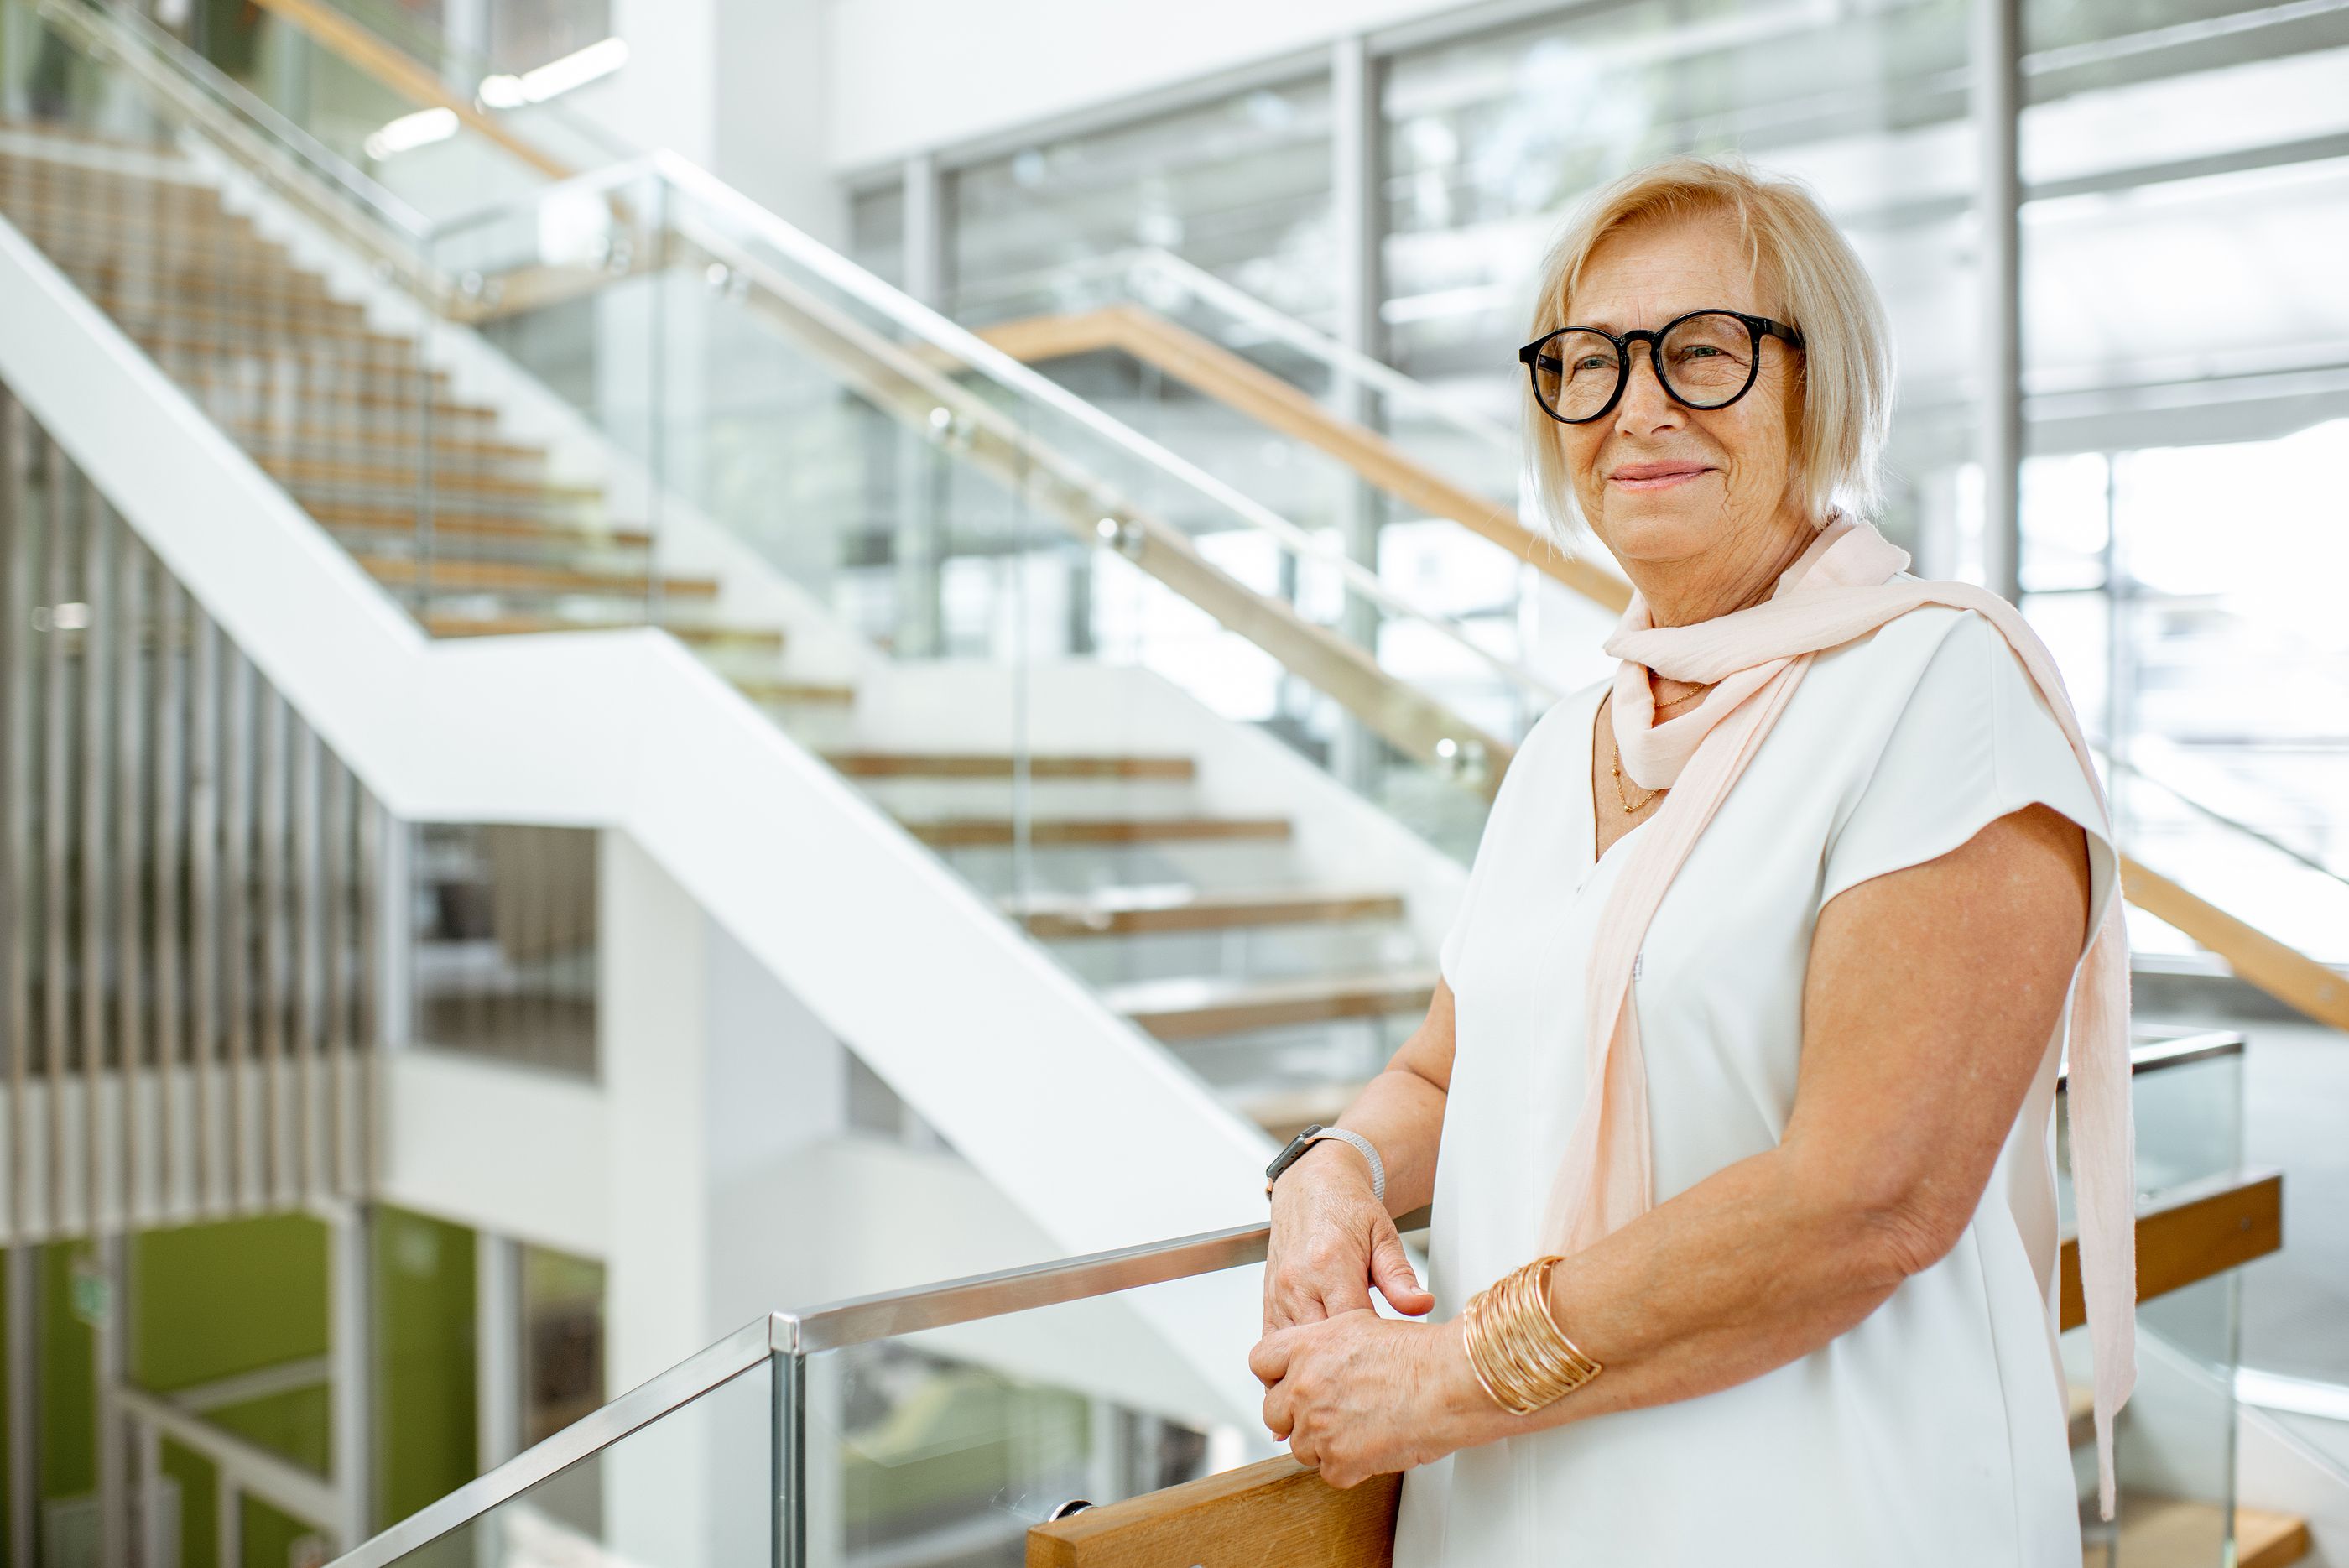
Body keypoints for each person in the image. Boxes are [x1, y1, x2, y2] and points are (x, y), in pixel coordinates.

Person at [1247, 156, 2135, 1565]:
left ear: (1816, 381)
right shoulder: (1564, 743)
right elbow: (1444, 1071)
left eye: (1703, 351)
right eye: (1589, 362)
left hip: (1829, 1516)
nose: (1638, 407)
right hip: (1514, 1517)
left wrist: (1445, 1374)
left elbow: (1867, 1196)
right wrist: (1330, 1167)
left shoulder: (1943, 687)